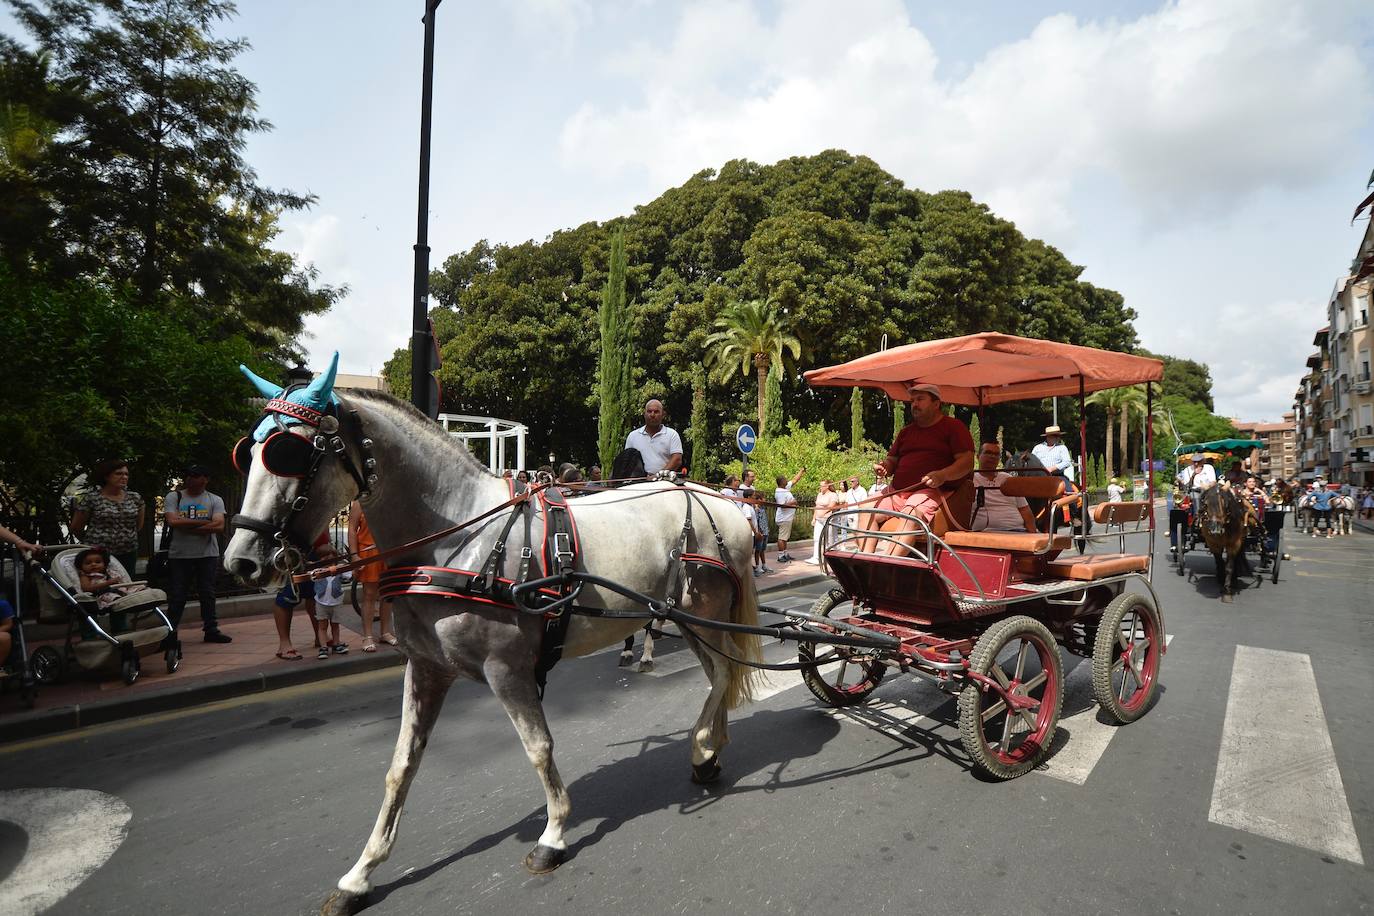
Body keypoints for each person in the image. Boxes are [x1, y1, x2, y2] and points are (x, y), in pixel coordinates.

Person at [866, 383, 975, 554]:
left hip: (931, 491)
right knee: (866, 508)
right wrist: (885, 467)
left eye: (920, 399)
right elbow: (892, 460)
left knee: (910, 512)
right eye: (912, 401)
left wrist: (942, 475)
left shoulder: (954, 427)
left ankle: (887, 565)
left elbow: (967, 463)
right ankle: (864, 563)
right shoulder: (906, 432)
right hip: (897, 492)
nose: (914, 404)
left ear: (936, 403)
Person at [164, 465, 231, 643]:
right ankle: (170, 633)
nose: (190, 479)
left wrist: (185, 524)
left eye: (195, 475)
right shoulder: (174, 496)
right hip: (179, 555)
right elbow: (172, 521)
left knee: (207, 593)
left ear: (205, 479)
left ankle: (211, 630)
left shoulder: (214, 499)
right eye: (187, 475)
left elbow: (219, 526)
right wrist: (204, 525)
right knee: (178, 595)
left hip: (207, 554)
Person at [70, 458, 145, 577]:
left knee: (126, 586)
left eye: (126, 474)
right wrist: (93, 543)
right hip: (98, 556)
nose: (124, 477)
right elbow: (76, 527)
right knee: (100, 585)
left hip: (128, 552)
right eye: (118, 474)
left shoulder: (135, 498)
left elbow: (138, 526)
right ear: (106, 476)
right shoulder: (92, 498)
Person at [349, 501, 393, 651]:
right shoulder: (359, 503)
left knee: (387, 595)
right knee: (369, 595)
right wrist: (354, 555)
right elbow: (352, 529)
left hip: (387, 552)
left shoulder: (389, 499)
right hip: (368, 551)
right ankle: (367, 636)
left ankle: (385, 632)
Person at [969, 442, 1038, 533]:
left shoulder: (1008, 479)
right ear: (978, 456)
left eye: (996, 454)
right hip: (984, 533)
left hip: (1018, 531)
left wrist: (1033, 534)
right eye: (988, 453)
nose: (992, 456)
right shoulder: (969, 480)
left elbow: (1024, 509)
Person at [75, 545, 147, 611]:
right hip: (103, 593)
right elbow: (86, 588)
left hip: (120, 589)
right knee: (114, 598)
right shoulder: (86, 576)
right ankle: (125, 601)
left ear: (105, 564)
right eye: (88, 563)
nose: (93, 564)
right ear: (81, 566)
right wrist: (108, 583)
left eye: (98, 562)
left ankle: (141, 595)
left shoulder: (109, 572)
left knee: (137, 587)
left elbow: (122, 581)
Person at [625, 398, 683, 474]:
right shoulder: (633, 436)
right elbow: (627, 461)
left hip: (664, 482)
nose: (652, 415)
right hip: (638, 483)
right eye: (649, 411)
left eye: (656, 412)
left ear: (663, 414)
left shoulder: (672, 435)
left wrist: (658, 476)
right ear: (644, 414)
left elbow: (677, 460)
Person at [313, 551, 350, 659]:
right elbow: (311, 573)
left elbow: (348, 574)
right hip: (321, 602)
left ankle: (336, 643)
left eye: (331, 561)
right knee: (322, 626)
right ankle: (323, 647)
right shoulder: (317, 571)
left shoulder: (339, 570)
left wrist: (340, 567)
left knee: (335, 625)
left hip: (336, 602)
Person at [772, 468, 806, 563]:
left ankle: (785, 554)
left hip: (787, 518)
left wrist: (801, 471)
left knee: (785, 537)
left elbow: (795, 480)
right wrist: (793, 502)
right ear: (782, 482)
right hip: (784, 518)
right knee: (782, 537)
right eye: (785, 479)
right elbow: (782, 505)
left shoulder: (785, 489)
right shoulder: (780, 492)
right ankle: (780, 555)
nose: (787, 480)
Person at [808, 478, 842, 563]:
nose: (820, 487)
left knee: (829, 538)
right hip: (819, 520)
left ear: (827, 486)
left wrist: (824, 512)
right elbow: (817, 506)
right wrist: (814, 518)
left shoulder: (833, 495)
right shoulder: (819, 494)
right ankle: (816, 557)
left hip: (828, 520)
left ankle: (831, 557)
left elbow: (831, 506)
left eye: (822, 486)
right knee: (817, 538)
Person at [736, 488, 766, 577]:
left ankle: (752, 570)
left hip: (753, 533)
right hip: (751, 534)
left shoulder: (750, 506)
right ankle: (748, 572)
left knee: (752, 552)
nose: (755, 497)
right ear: (749, 497)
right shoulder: (746, 507)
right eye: (753, 496)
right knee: (749, 553)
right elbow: (748, 521)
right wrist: (755, 533)